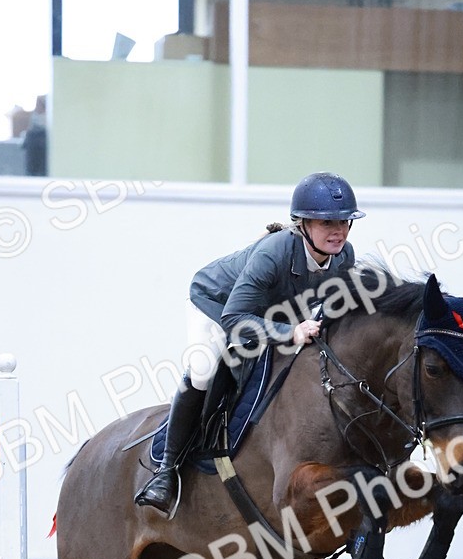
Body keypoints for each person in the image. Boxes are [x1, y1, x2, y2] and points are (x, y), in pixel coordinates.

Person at [134, 171, 365, 516]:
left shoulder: (344, 256)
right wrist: (290, 332)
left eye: (344, 221)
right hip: (216, 306)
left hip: (271, 314)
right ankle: (165, 473)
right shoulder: (274, 253)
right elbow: (233, 319)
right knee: (204, 371)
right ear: (302, 224)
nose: (338, 231)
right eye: (326, 221)